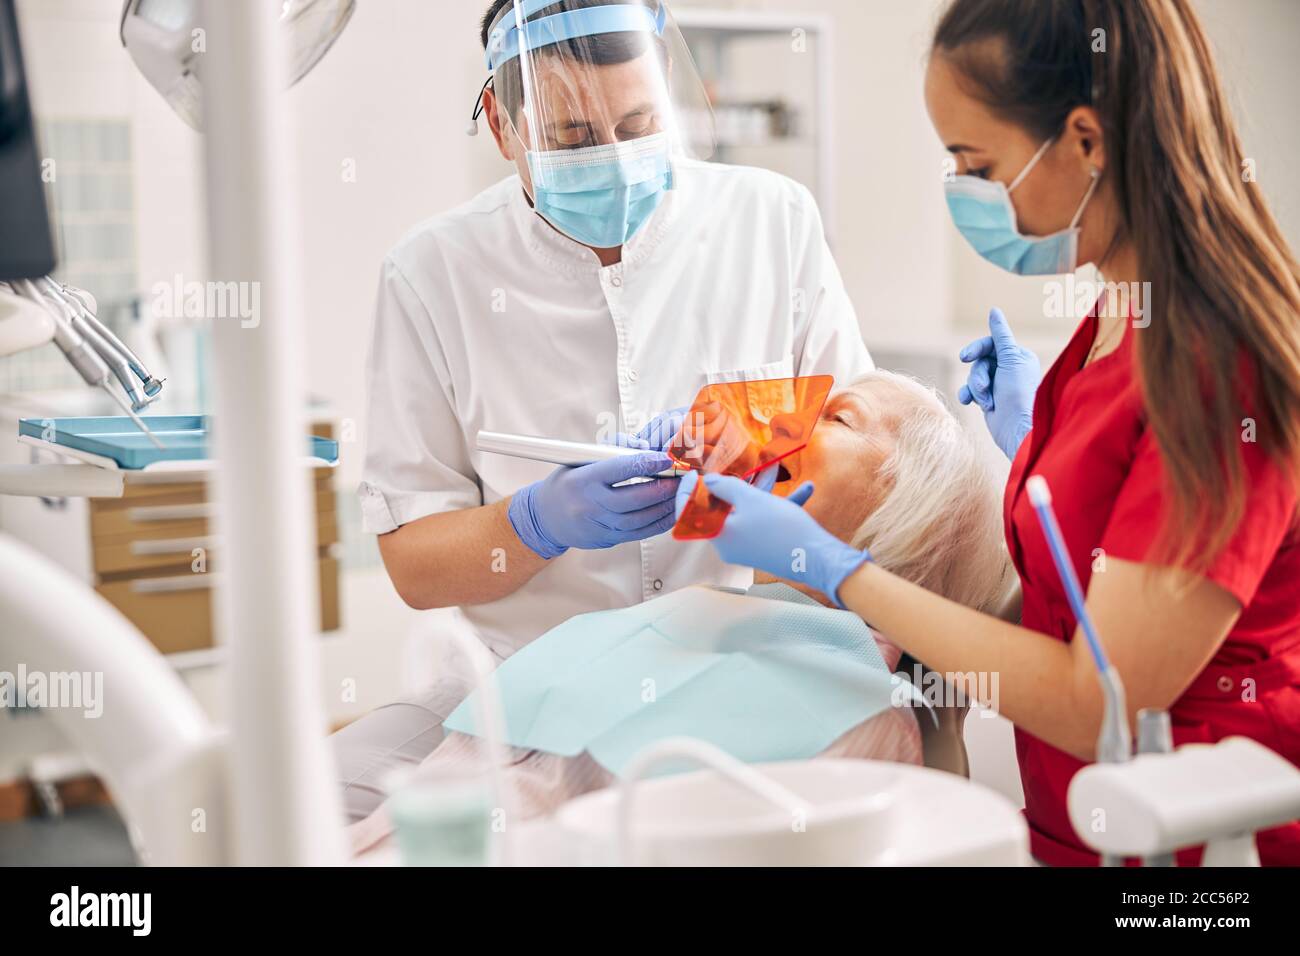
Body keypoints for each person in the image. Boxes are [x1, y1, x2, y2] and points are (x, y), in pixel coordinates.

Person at [686, 0, 1300, 866]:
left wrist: (843, 572)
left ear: (1087, 140)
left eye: (978, 163)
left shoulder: (1213, 370)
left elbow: (1102, 700)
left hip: (1200, 853)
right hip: (1074, 827)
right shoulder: (1111, 324)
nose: (965, 191)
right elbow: (1073, 609)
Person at [334, 0, 873, 821]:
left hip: (741, 665)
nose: (616, 159)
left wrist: (761, 440)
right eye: (575, 139)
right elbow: (413, 561)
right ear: (501, 124)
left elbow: (870, 456)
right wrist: (534, 525)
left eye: (640, 122)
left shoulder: (773, 220)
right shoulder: (430, 274)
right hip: (526, 683)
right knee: (309, 802)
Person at [348, 372, 1014, 853]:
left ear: (907, 520)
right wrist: (535, 520)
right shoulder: (699, 618)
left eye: (837, 417)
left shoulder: (860, 724)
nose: (777, 421)